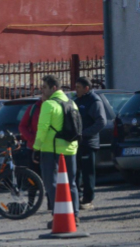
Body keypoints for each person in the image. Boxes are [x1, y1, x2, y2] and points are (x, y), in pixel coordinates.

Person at [33, 75, 80, 228]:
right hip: (70, 148)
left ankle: (59, 215)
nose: (42, 91)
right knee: (71, 183)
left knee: (52, 183)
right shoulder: (72, 103)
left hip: (51, 149)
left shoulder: (49, 105)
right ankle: (75, 215)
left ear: (53, 88)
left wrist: (36, 148)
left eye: (44, 87)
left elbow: (42, 129)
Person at [74, 76, 107, 210]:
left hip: (88, 143)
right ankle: (77, 198)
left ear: (86, 88)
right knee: (76, 172)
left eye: (78, 87)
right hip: (77, 143)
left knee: (88, 173)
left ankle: (88, 200)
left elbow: (101, 122)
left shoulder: (94, 101)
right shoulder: (78, 100)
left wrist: (85, 133)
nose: (75, 90)